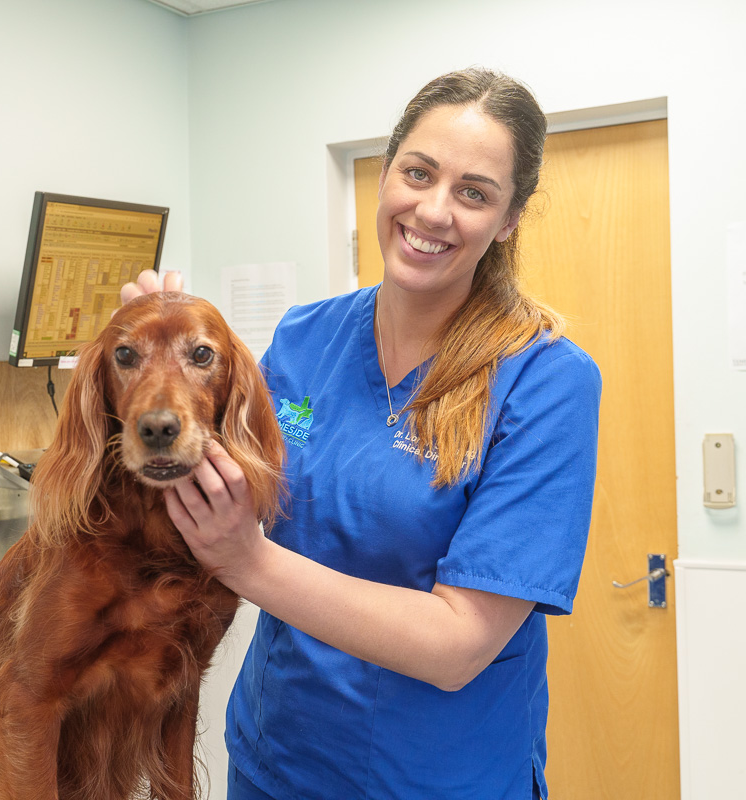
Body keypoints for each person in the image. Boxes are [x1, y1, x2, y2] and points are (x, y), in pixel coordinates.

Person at [122, 67, 601, 800]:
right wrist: (153, 360)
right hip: (274, 762)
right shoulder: (305, 338)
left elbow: (457, 645)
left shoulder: (544, 381)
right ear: (385, 176)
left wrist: (247, 563)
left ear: (509, 220)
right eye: (418, 172)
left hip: (438, 779)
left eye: (474, 193)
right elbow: (205, 478)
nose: (434, 210)